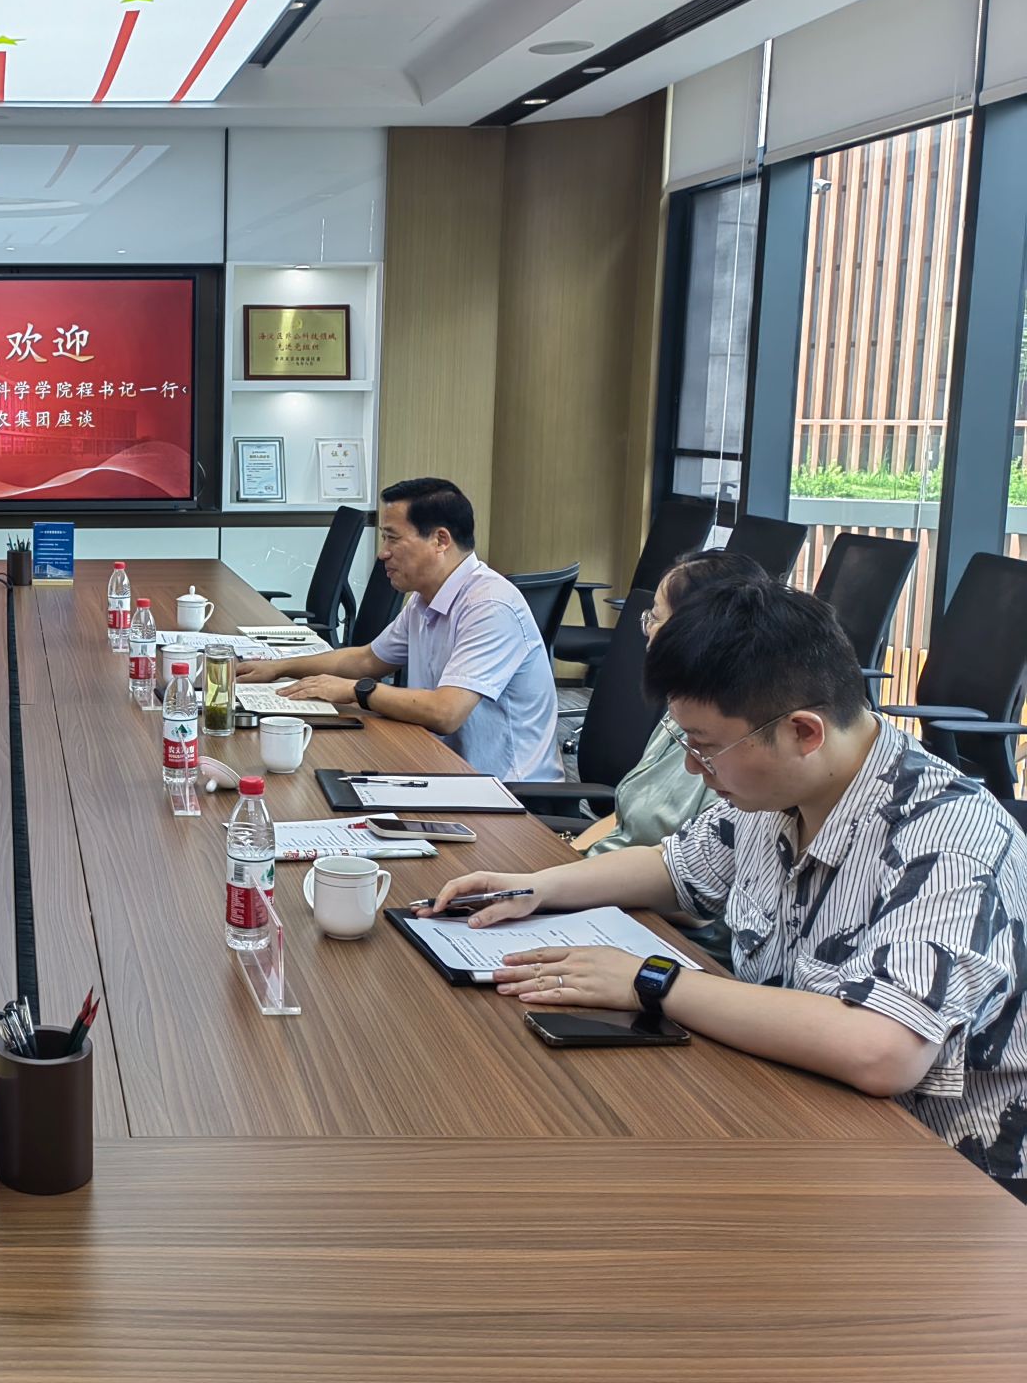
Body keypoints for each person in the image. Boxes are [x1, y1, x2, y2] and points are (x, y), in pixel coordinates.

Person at [425, 580, 1027, 1190]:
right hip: (795, 1108)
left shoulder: (948, 843)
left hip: (943, 1179)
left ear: (804, 732)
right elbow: (676, 868)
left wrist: (651, 980)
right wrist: (538, 886)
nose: (694, 767)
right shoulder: (781, 790)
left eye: (706, 748)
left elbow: (882, 1050)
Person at [238, 477, 560, 781]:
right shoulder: (423, 599)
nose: (383, 553)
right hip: (440, 766)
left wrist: (356, 690)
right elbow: (367, 660)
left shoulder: (489, 606)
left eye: (393, 538)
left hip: (507, 792)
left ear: (440, 540)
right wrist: (279, 668)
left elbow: (446, 712)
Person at [570, 549, 771, 856]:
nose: (647, 628)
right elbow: (622, 820)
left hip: (636, 883)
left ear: (693, 631)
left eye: (656, 617)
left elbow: (684, 871)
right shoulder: (681, 704)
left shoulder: (737, 749)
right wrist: (572, 855)